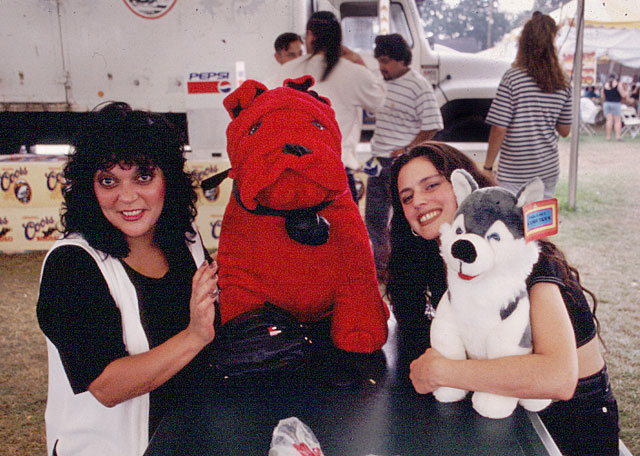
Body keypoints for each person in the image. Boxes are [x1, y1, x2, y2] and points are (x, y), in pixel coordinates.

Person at [386, 142, 620, 456]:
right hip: (491, 416)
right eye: (407, 197)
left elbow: (559, 378)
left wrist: (443, 373)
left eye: (431, 185)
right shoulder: (436, 261)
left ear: (465, 187)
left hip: (566, 426)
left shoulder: (529, 264)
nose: (419, 201)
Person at [36, 102, 219, 455]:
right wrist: (194, 336)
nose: (127, 196)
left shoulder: (185, 239)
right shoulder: (72, 265)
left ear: (168, 179)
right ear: (90, 187)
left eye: (143, 176)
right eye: (109, 181)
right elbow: (107, 386)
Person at [273, 11, 386, 201]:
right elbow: (379, 101)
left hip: (296, 173)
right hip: (337, 172)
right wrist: (358, 60)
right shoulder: (353, 71)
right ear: (338, 38)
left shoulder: (288, 70)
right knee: (344, 230)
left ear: (310, 36)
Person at [365, 33, 443, 278]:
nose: (382, 66)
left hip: (399, 164)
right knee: (373, 219)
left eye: (386, 61)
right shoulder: (381, 82)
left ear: (402, 60)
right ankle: (380, 270)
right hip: (377, 160)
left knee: (402, 222)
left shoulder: (418, 85)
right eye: (379, 60)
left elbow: (433, 123)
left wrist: (409, 148)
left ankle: (404, 269)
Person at [484, 11, 572, 199]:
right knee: (540, 224)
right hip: (547, 168)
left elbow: (499, 128)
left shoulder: (513, 77)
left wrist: (488, 167)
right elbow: (565, 130)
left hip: (515, 171)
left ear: (523, 43)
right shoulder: (562, 80)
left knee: (513, 225)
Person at [601, 74, 628, 141]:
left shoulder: (604, 85)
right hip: (616, 103)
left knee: (609, 120)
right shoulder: (618, 84)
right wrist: (627, 90)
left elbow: (603, 97)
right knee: (617, 121)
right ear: (615, 78)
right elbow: (623, 95)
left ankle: (608, 137)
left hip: (607, 103)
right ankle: (617, 137)